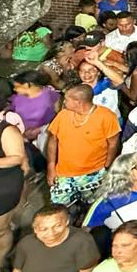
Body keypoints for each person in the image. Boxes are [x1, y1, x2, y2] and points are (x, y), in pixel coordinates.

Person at [45, 84, 122, 212]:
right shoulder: (63, 115)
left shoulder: (106, 116)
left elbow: (113, 143)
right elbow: (52, 140)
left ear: (78, 102)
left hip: (94, 173)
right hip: (64, 174)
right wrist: (51, 167)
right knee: (56, 209)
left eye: (67, 99)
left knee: (93, 206)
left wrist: (107, 166)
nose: (64, 102)